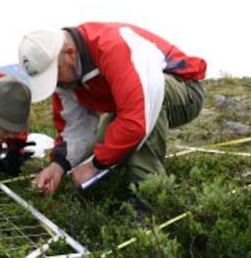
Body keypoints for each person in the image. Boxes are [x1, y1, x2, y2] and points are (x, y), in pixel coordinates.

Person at [18, 22, 206, 199]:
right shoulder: (65, 78)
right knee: (103, 146)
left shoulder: (114, 47)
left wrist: (95, 165)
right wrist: (58, 165)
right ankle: (110, 188)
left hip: (184, 90)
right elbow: (75, 128)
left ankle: (147, 195)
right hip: (129, 105)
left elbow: (136, 117)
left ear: (70, 53)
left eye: (55, 73)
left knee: (144, 108)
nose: (55, 82)